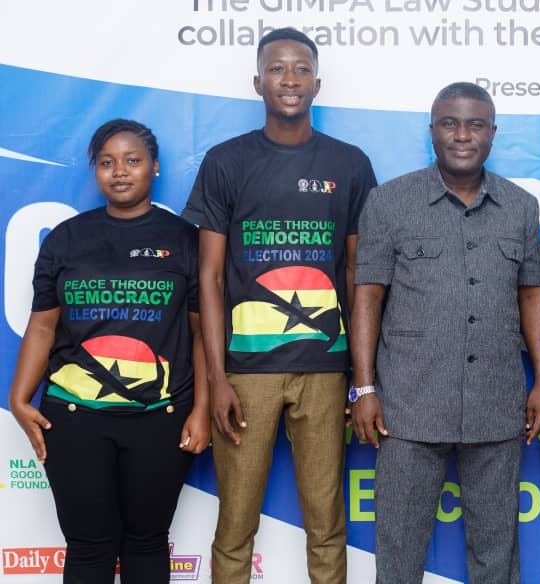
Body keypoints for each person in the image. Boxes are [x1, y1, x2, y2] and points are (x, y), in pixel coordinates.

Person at [182, 27, 377, 584]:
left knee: (327, 522)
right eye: (276, 69)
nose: (288, 80)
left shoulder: (350, 163)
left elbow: (359, 276)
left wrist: (361, 378)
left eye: (299, 69)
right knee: (236, 524)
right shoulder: (227, 161)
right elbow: (211, 277)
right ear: (257, 82)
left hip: (324, 368)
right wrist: (218, 379)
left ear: (318, 81)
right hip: (246, 375)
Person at [349, 81, 540, 583]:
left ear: (493, 133)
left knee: (496, 554)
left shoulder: (520, 206)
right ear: (432, 131)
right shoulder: (389, 202)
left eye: (475, 124)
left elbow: (532, 297)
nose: (462, 135)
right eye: (450, 123)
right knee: (398, 553)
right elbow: (367, 298)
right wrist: (365, 387)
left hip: (495, 405)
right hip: (407, 409)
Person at [8, 119, 209, 583]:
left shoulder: (183, 240)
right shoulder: (66, 238)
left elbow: (202, 333)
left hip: (161, 417)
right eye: (107, 162)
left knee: (146, 543)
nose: (120, 171)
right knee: (89, 548)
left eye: (132, 160)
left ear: (154, 167)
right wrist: (20, 399)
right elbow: (42, 326)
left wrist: (201, 407)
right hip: (75, 418)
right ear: (95, 171)